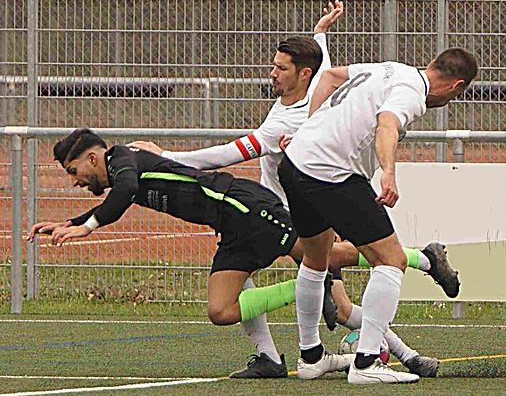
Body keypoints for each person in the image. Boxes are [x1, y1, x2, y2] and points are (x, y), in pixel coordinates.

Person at [129, 1, 456, 379]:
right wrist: (320, 33)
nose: (272, 73)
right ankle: (285, 355)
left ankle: (400, 333)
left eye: (281, 68)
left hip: (288, 210)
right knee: (329, 275)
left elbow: (225, 155)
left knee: (343, 285)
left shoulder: (284, 122)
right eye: (274, 65)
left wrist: (166, 156)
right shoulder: (314, 90)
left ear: (302, 74)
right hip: (286, 205)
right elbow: (328, 69)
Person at [27, 128, 353, 376]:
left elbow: (126, 190)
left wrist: (87, 227)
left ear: (93, 158)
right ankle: (273, 351)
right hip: (231, 225)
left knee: (333, 256)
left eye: (72, 171)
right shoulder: (123, 169)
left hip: (245, 209)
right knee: (221, 310)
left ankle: (377, 251)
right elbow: (119, 196)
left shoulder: (122, 159)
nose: (74, 181)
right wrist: (68, 223)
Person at [280, 47, 477, 384]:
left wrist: (311, 128)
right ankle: (367, 362)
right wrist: (389, 173)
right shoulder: (412, 92)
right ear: (456, 86)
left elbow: (329, 76)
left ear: (431, 63)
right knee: (391, 260)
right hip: (330, 173)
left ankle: (310, 357)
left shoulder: (391, 68)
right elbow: (387, 125)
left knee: (316, 259)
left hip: (296, 162)